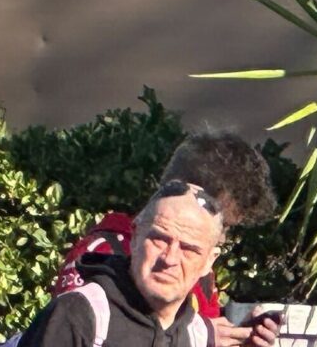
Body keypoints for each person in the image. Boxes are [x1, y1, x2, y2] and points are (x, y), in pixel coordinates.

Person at [49, 134, 283, 347]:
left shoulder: (197, 266)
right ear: (187, 192)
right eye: (224, 223)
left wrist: (234, 340)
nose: (171, 257)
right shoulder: (101, 257)